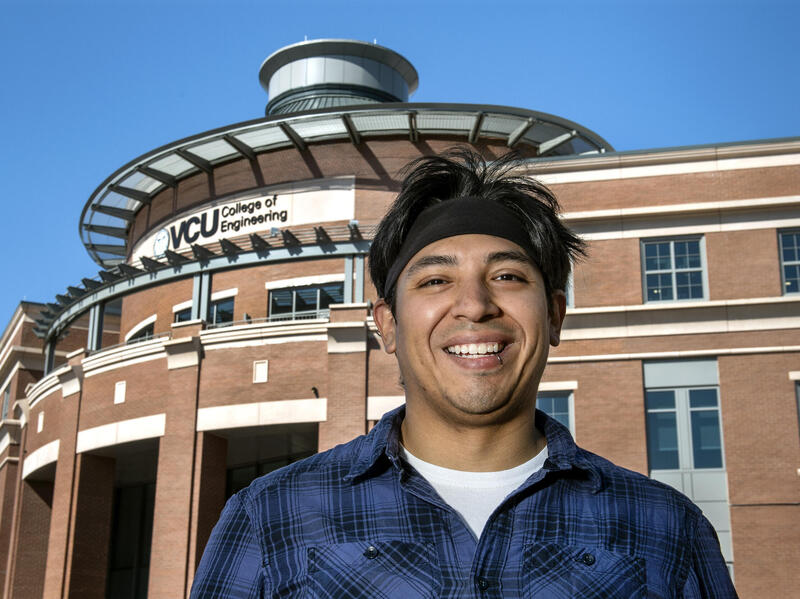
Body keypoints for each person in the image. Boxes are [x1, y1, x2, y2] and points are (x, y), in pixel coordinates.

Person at [191, 148, 738, 598]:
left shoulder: (667, 526)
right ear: (386, 324)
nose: (474, 305)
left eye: (506, 275)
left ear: (553, 316)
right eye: (434, 281)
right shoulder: (270, 516)